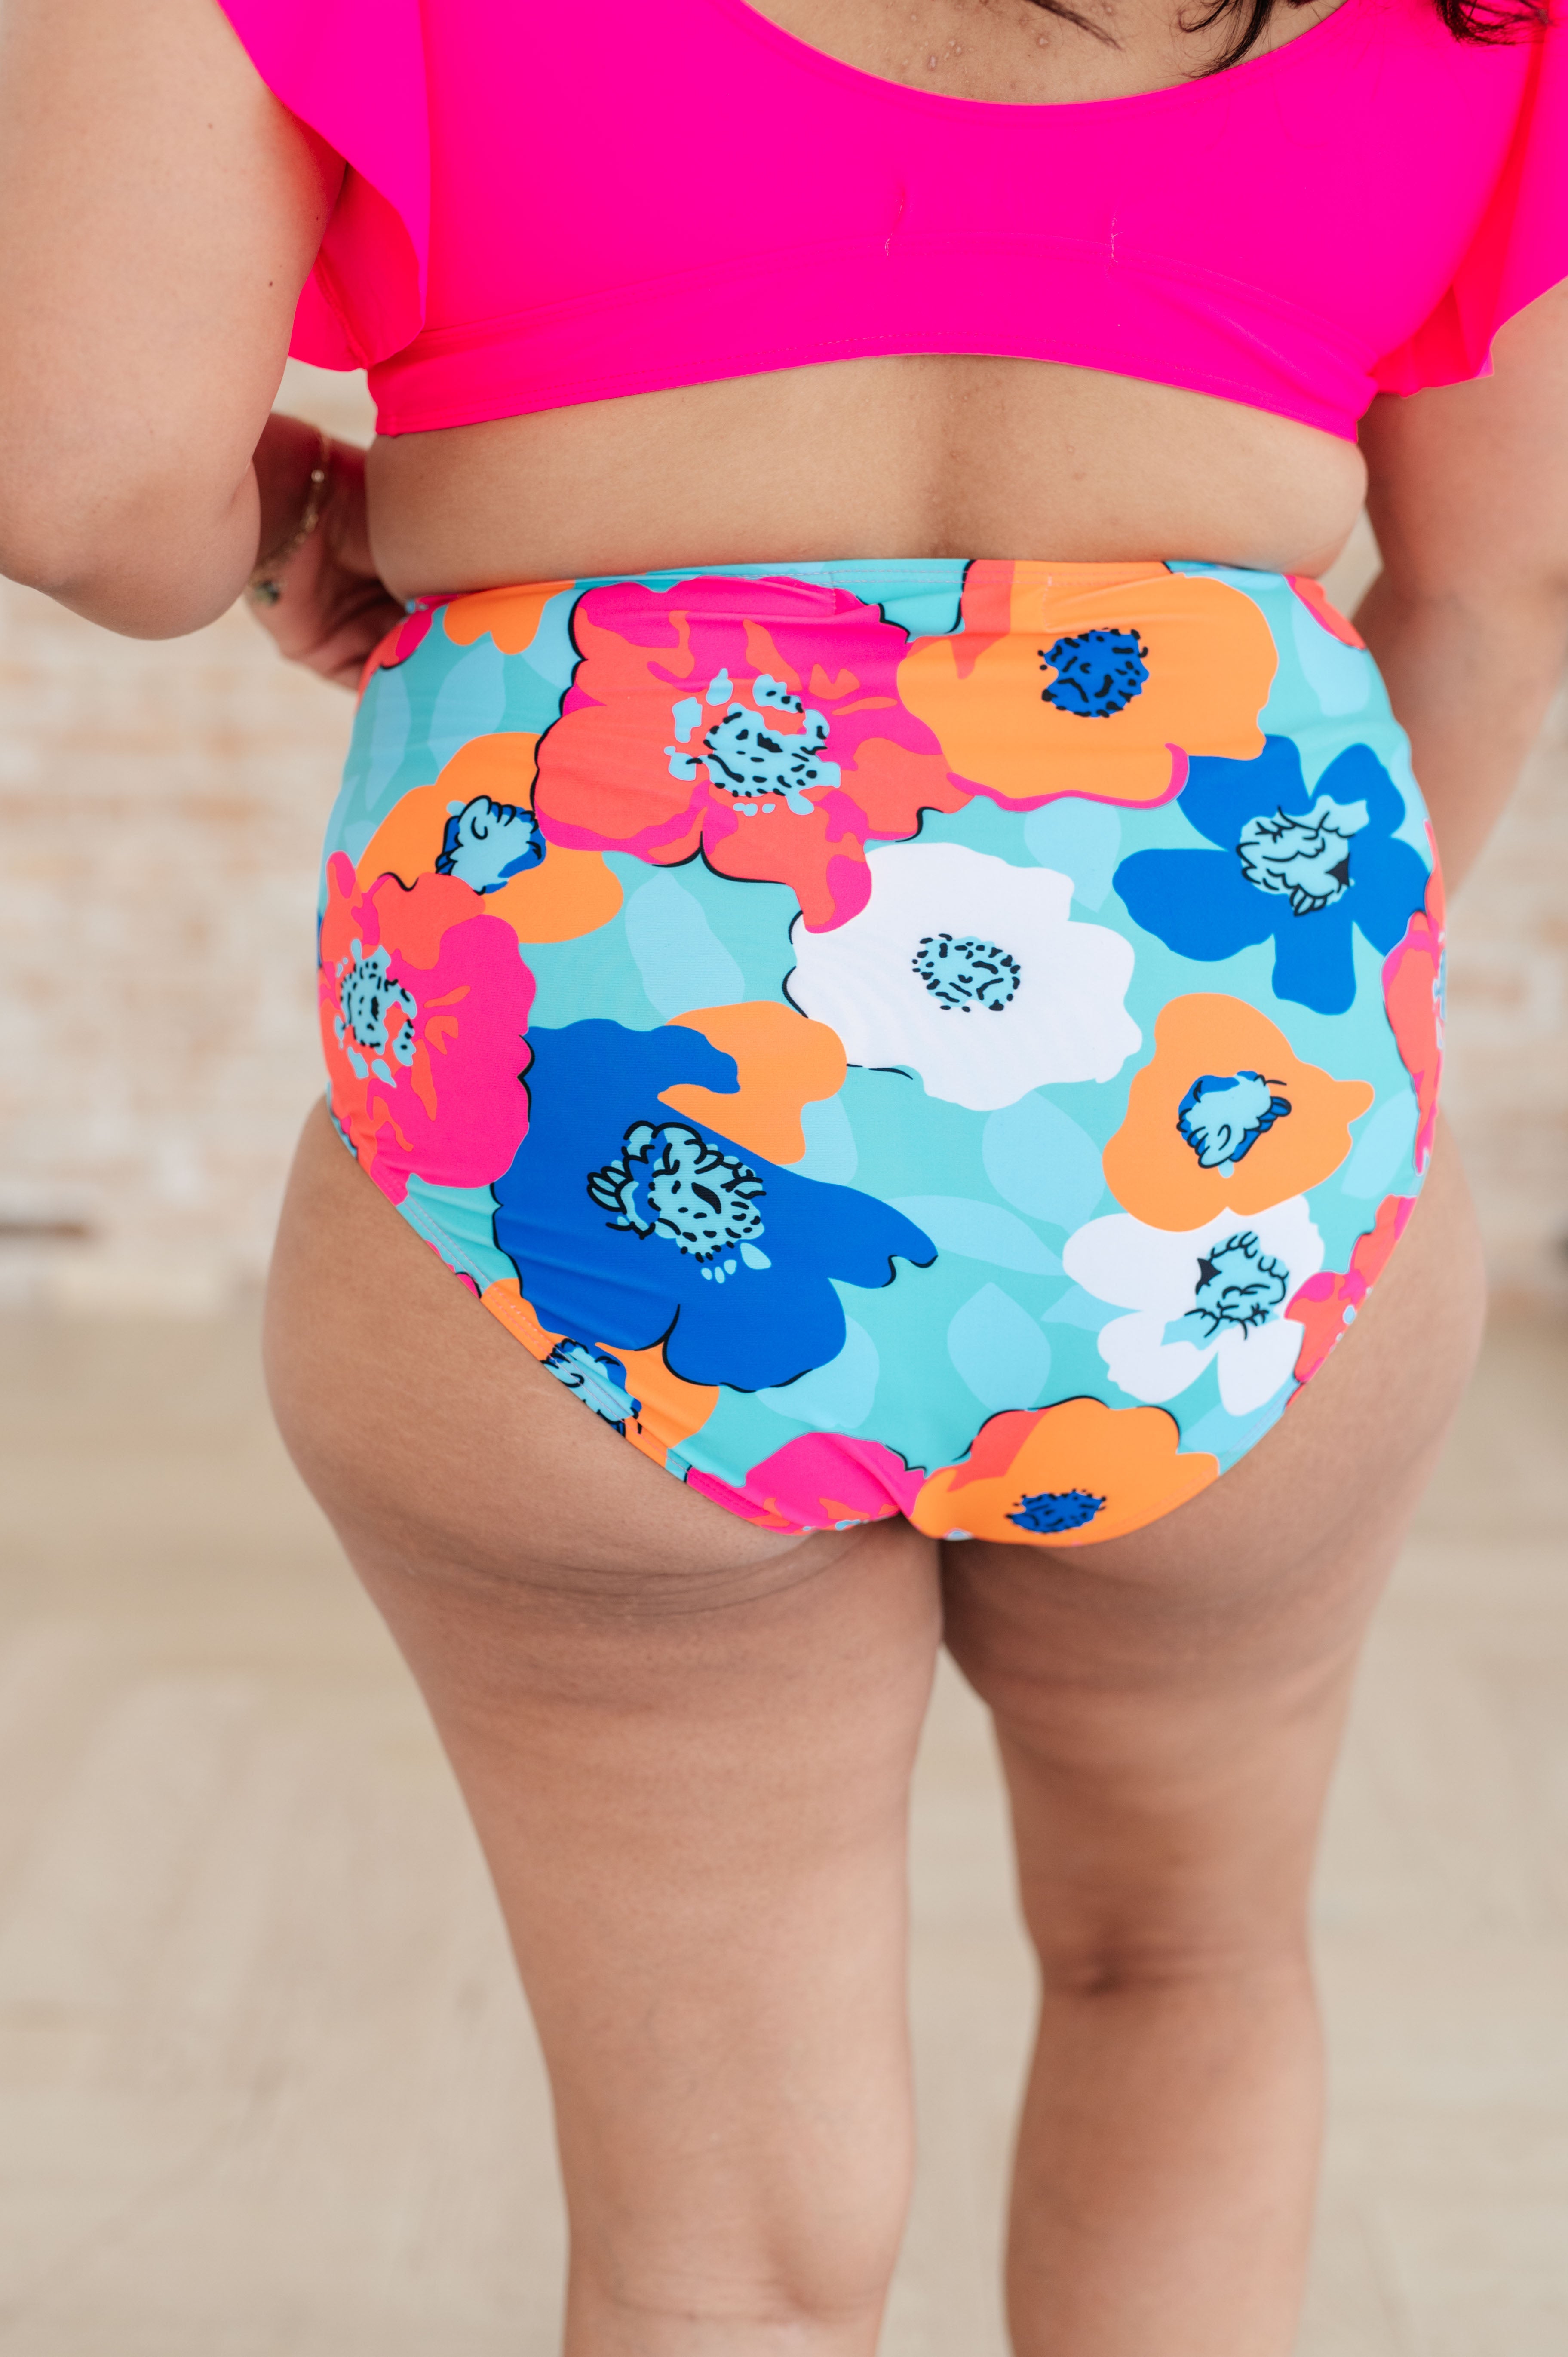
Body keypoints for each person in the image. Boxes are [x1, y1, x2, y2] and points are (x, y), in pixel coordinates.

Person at [2, 0, 1564, 2348]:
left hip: (603, 1067)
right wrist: (1305, 1050)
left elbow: (80, 478)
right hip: (1228, 1088)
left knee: (716, 2255)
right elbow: (1496, 587)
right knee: (1185, 1963)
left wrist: (293, 524)